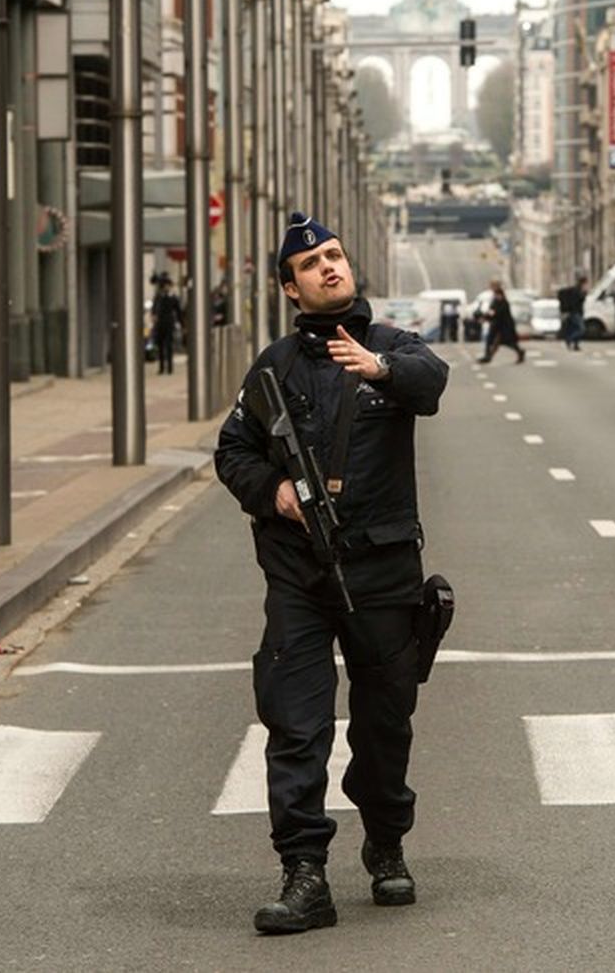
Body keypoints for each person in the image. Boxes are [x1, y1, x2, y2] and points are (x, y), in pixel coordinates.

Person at [215, 211, 449, 935]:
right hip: (301, 575)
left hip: (381, 573)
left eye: (335, 255)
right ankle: (304, 871)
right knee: (296, 722)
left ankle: (386, 840)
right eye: (312, 262)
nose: (329, 267)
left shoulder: (391, 348)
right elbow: (234, 452)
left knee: (384, 721)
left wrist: (378, 368)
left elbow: (430, 381)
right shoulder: (274, 368)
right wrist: (274, 492)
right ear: (291, 287)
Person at [476, 280, 525, 364]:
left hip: (503, 326)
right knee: (492, 341)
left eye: (492, 286)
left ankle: (519, 352)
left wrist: (486, 318)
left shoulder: (501, 299)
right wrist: (486, 317)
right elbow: (492, 311)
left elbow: (496, 312)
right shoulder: (496, 298)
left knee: (507, 342)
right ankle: (488, 356)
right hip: (498, 326)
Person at [150, 275, 182, 375]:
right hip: (160, 323)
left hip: (169, 323)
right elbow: (154, 310)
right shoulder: (158, 297)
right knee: (160, 345)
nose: (167, 287)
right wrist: (154, 316)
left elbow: (178, 310)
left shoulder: (173, 297)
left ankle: (170, 368)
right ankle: (161, 367)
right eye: (165, 285)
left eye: (168, 285)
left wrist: (180, 323)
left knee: (169, 345)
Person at [558, 275, 587, 351]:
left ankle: (576, 345)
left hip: (578, 312)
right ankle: (569, 339)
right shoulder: (577, 291)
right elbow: (577, 301)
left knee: (575, 328)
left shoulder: (579, 290)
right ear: (583, 283)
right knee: (581, 329)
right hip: (575, 313)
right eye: (586, 284)